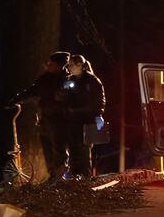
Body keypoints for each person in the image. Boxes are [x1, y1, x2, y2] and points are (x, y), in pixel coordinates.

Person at [8, 51, 71, 181]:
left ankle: (59, 174)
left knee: (59, 148)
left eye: (51, 64)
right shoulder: (44, 79)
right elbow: (32, 91)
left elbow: (72, 99)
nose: (48, 66)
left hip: (60, 120)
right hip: (44, 119)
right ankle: (53, 174)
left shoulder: (67, 80)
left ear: (60, 65)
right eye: (48, 63)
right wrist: (16, 100)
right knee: (47, 148)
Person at [61, 55, 106, 179]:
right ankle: (74, 179)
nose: (69, 67)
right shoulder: (70, 80)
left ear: (80, 65)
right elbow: (65, 98)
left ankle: (85, 179)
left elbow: (99, 100)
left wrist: (98, 115)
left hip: (86, 122)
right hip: (72, 121)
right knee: (72, 151)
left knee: (84, 153)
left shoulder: (92, 81)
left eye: (71, 64)